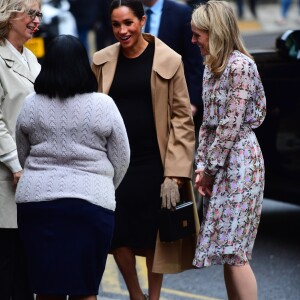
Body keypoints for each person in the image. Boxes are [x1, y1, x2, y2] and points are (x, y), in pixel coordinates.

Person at [92, 1, 198, 299]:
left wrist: (175, 174)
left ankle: (153, 296)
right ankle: (135, 293)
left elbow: (181, 119)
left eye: (128, 23)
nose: (122, 31)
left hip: (154, 162)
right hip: (114, 164)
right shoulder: (101, 60)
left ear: (142, 21)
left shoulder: (168, 59)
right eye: (116, 25)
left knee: (154, 235)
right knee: (116, 234)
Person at [15, 34, 130, 300]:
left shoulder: (31, 104)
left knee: (45, 289)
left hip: (37, 205)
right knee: (85, 289)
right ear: (83, 65)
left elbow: (23, 153)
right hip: (91, 206)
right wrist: (101, 185)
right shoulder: (104, 104)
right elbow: (122, 157)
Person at [191, 1, 266, 300]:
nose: (194, 40)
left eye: (199, 34)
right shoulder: (212, 66)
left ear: (216, 32)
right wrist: (202, 166)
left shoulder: (241, 66)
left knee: (235, 251)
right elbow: (209, 123)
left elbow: (230, 126)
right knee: (226, 249)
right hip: (219, 162)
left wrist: (208, 169)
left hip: (240, 162)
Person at [0, 0, 42, 298]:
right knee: (6, 265)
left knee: (26, 270)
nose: (36, 20)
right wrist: (15, 165)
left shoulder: (32, 58)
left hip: (32, 175)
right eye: (30, 12)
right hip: (8, 174)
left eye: (39, 14)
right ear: (9, 13)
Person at [142, 0, 204, 122]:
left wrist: (193, 101)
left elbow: (193, 59)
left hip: (175, 99)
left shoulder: (181, 12)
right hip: (142, 100)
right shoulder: (128, 13)